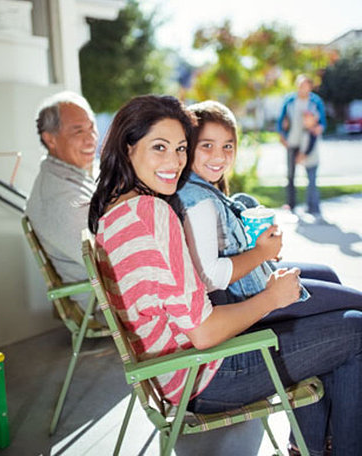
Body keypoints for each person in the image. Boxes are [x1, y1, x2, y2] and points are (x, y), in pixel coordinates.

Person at [88, 94, 362, 456]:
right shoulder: (152, 214)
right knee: (356, 330)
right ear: (127, 147)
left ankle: (313, 447)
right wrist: (271, 298)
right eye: (160, 147)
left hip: (174, 372)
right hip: (203, 377)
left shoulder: (114, 211)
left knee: (332, 327)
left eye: (180, 148)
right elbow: (204, 332)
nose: (175, 161)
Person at [177, 99, 362, 323]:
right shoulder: (199, 202)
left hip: (252, 283)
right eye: (207, 145)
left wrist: (258, 247)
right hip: (248, 303)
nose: (220, 156)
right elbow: (210, 277)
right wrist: (262, 253)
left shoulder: (200, 188)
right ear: (187, 147)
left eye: (227, 145)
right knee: (355, 312)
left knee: (328, 273)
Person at [26, 91, 98, 309]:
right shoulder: (58, 195)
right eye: (78, 131)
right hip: (104, 304)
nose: (91, 138)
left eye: (91, 128)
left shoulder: (77, 173)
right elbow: (105, 260)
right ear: (50, 139)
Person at [277, 74, 326, 217]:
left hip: (307, 141)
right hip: (292, 142)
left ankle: (313, 207)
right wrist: (281, 135)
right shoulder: (290, 100)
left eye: (305, 85)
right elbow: (281, 120)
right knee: (291, 175)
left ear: (310, 87)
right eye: (300, 85)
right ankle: (291, 204)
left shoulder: (316, 101)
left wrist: (319, 128)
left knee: (311, 175)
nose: (302, 88)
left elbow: (322, 121)